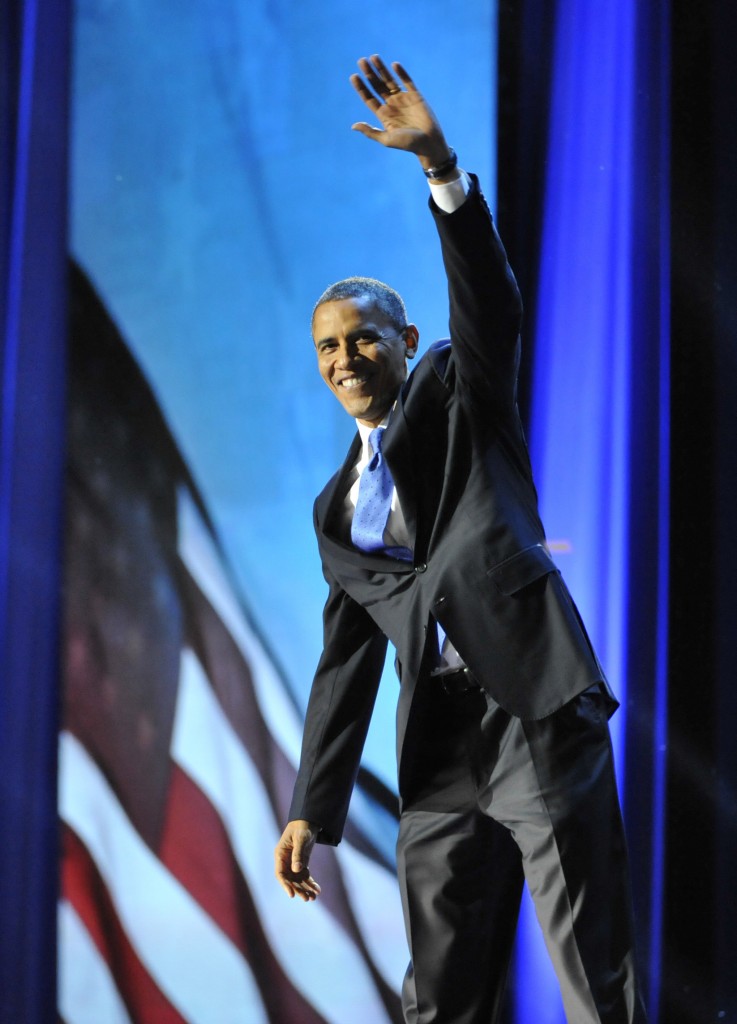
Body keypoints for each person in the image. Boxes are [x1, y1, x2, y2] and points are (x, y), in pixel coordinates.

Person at [274, 55, 647, 1024]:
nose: (344, 358)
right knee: (437, 995)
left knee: (587, 972)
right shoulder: (333, 511)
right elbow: (344, 663)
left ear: (402, 340)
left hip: (530, 708)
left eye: (362, 336)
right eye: (327, 346)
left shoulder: (457, 392)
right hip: (438, 751)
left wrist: (438, 166)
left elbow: (488, 300)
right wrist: (310, 805)